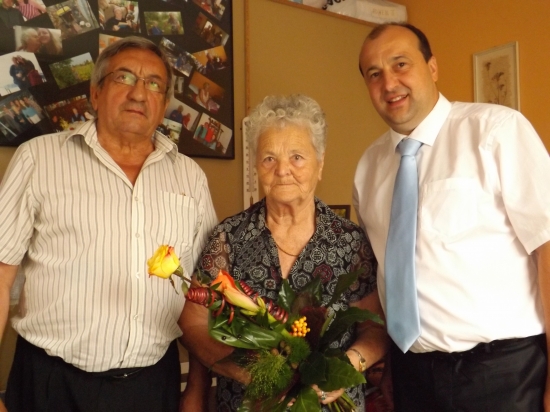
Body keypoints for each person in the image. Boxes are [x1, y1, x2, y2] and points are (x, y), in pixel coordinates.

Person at [0, 36, 218, 412]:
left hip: (153, 386)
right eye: (124, 77)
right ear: (96, 92)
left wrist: (197, 389)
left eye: (154, 84)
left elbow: (204, 293)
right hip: (50, 385)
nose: (139, 93)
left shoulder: (190, 177)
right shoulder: (39, 159)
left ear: (164, 104)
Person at [353, 23, 550, 412]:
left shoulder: (497, 131)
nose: (389, 83)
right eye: (374, 74)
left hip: (502, 375)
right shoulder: (367, 169)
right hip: (411, 376)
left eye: (400, 64)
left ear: (432, 67)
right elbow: (384, 275)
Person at [180, 94, 389, 412]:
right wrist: (242, 370)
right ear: (256, 166)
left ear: (320, 163)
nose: (282, 170)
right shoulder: (229, 237)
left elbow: (374, 327)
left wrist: (345, 366)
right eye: (269, 158)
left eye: (297, 157)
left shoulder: (350, 242)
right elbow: (194, 322)